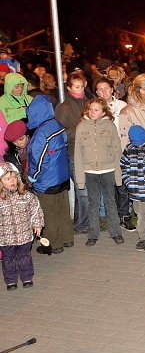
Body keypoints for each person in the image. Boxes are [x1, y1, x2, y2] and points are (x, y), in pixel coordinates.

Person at [26, 95, 75, 254]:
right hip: (62, 176)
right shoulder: (57, 125)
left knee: (49, 213)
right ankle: (67, 238)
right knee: (62, 209)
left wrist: (33, 177)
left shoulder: (41, 133)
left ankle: (54, 244)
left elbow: (38, 159)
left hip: (47, 181)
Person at [74, 98, 123, 246]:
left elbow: (117, 150)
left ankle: (116, 232)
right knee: (93, 203)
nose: (92, 112)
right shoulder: (81, 127)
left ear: (103, 112)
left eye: (96, 110)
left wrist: (118, 176)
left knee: (110, 202)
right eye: (90, 109)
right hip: (89, 171)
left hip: (108, 169)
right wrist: (80, 179)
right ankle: (93, 234)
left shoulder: (110, 126)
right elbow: (78, 154)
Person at [94, 77, 134, 232]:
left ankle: (124, 215)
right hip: (103, 152)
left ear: (112, 89)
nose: (104, 92)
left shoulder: (122, 106)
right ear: (96, 92)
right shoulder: (93, 108)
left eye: (106, 88)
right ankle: (108, 216)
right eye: (100, 89)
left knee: (123, 185)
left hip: (122, 150)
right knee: (107, 186)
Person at [0, 162, 44, 290]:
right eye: (8, 178)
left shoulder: (26, 195)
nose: (12, 181)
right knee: (8, 259)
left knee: (25, 256)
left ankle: (27, 277)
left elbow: (35, 209)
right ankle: (10, 280)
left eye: (14, 177)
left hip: (24, 234)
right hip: (6, 237)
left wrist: (37, 224)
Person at [55, 71, 90, 234]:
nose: (80, 89)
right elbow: (60, 133)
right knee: (82, 190)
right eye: (76, 87)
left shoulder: (88, 102)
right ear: (68, 88)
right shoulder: (64, 108)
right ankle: (82, 224)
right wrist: (82, 129)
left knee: (85, 189)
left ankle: (83, 220)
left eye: (82, 86)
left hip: (89, 150)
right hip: (74, 152)